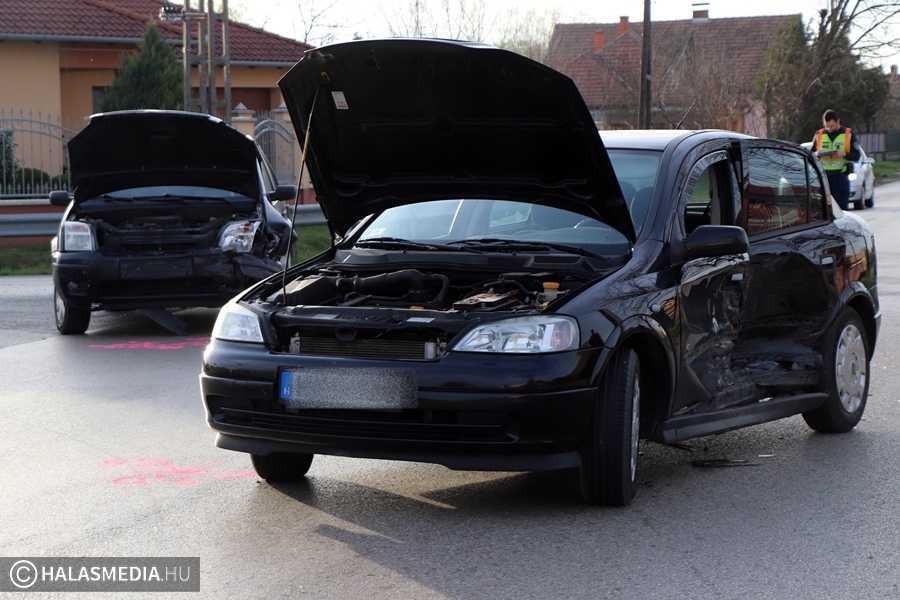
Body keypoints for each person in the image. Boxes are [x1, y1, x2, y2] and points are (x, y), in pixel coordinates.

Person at [810, 109, 861, 211]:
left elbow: (857, 156)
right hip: (823, 178)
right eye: (827, 126)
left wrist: (844, 154)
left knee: (842, 210)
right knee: (823, 211)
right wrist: (817, 154)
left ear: (838, 121)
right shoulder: (819, 134)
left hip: (840, 177)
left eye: (832, 126)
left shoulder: (849, 134)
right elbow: (810, 155)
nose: (829, 128)